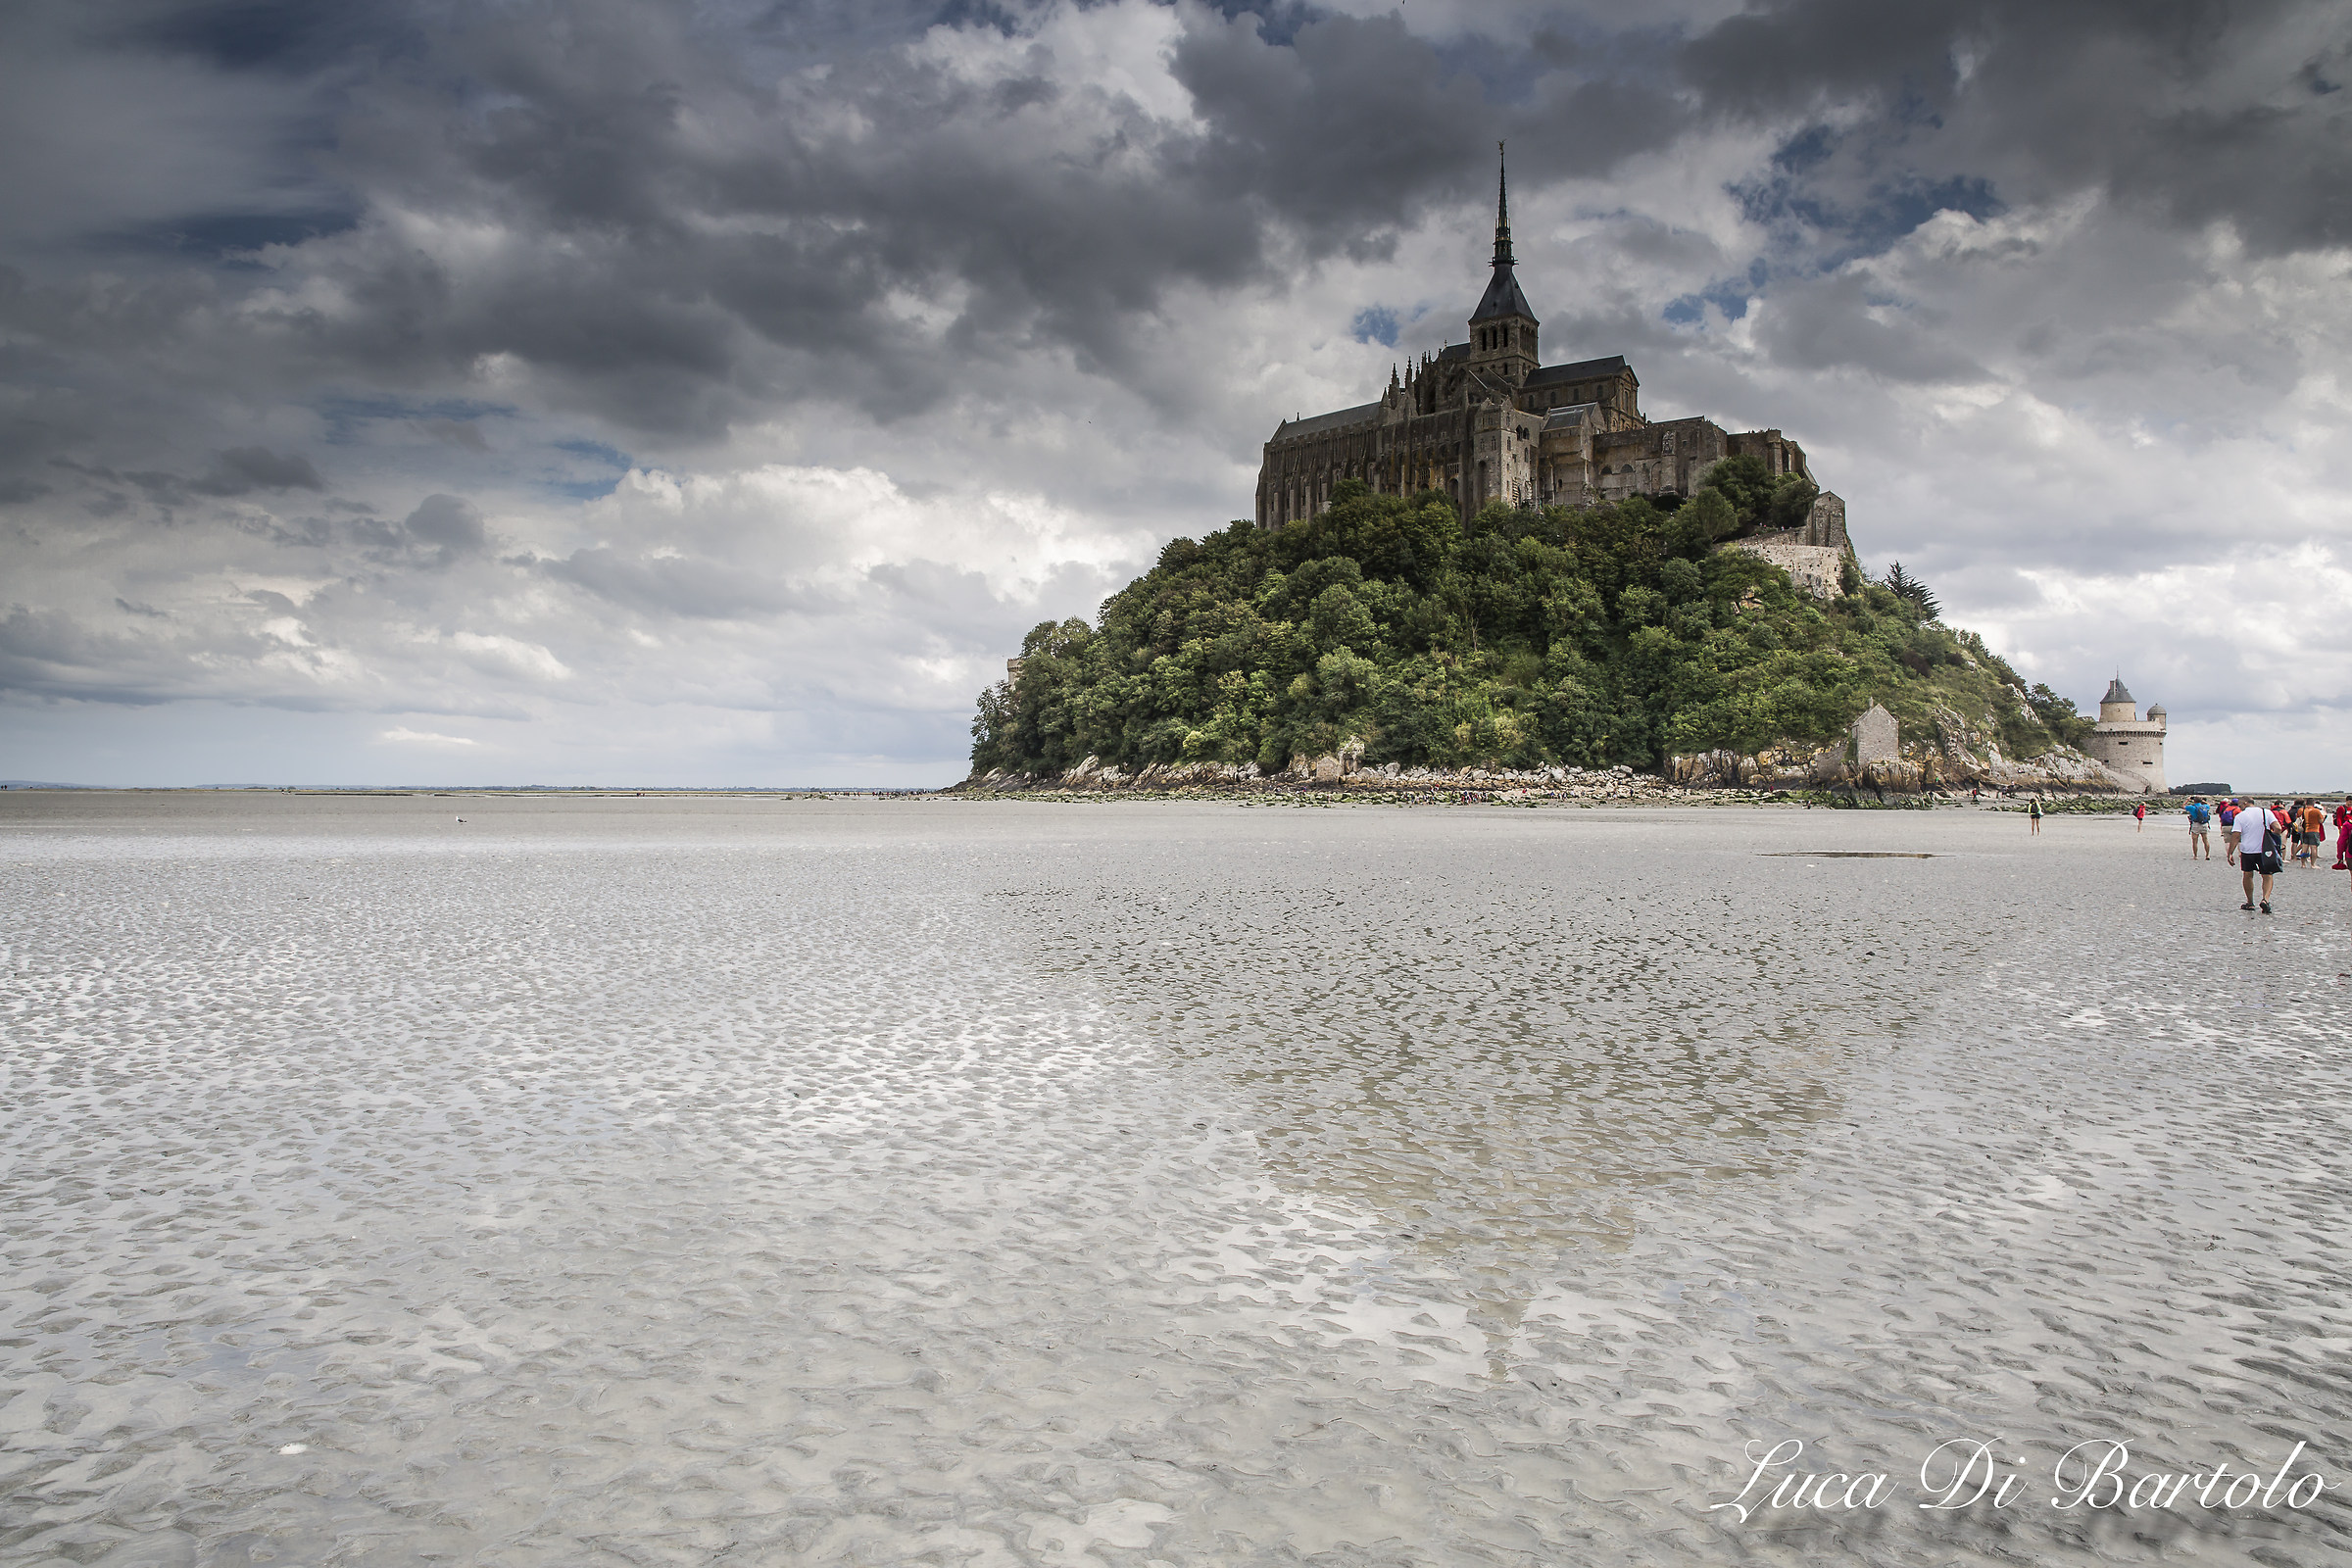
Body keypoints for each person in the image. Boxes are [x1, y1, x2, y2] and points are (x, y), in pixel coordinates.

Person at [2240, 803, 2282, 913]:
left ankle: (2250, 903)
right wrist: (2272, 836)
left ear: (2244, 803)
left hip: (2247, 850)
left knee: (2248, 875)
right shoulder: (2266, 813)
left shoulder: (2241, 815)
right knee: (2267, 875)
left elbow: (2236, 834)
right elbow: (2278, 828)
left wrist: (2230, 852)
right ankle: (2265, 899)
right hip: (2264, 849)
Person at [2185, 795, 2212, 859]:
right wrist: (2203, 801)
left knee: (2195, 841)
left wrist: (2187, 800)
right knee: (2205, 840)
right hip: (2204, 824)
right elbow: (2209, 805)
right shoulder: (2205, 806)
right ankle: (2207, 855)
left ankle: (2196, 856)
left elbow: (2183, 806)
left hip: (2196, 824)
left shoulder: (2192, 807)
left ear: (2194, 801)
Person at [2220, 797, 2242, 865]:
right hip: (2235, 826)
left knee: (2227, 841)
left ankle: (2229, 854)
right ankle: (2240, 854)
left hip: (2225, 826)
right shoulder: (2238, 809)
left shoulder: (2225, 809)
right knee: (2239, 840)